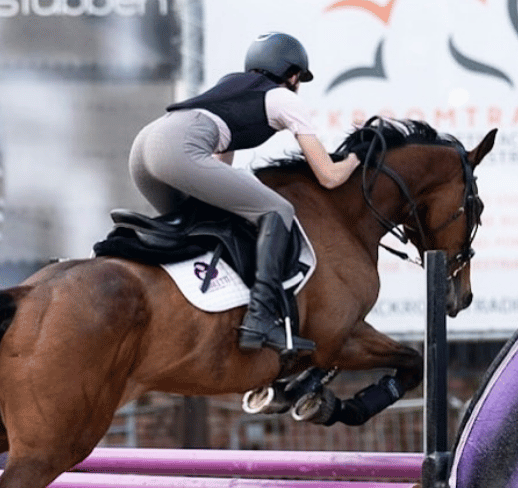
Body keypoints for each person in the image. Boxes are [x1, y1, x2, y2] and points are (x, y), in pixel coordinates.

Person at [129, 31, 360, 353]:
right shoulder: (285, 98)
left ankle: (198, 303)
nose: (298, 84)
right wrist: (355, 158)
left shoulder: (231, 87)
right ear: (291, 74)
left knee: (203, 222)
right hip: (178, 148)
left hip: (144, 149)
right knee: (278, 211)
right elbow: (329, 176)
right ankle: (260, 319)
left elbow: (219, 160)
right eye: (299, 78)